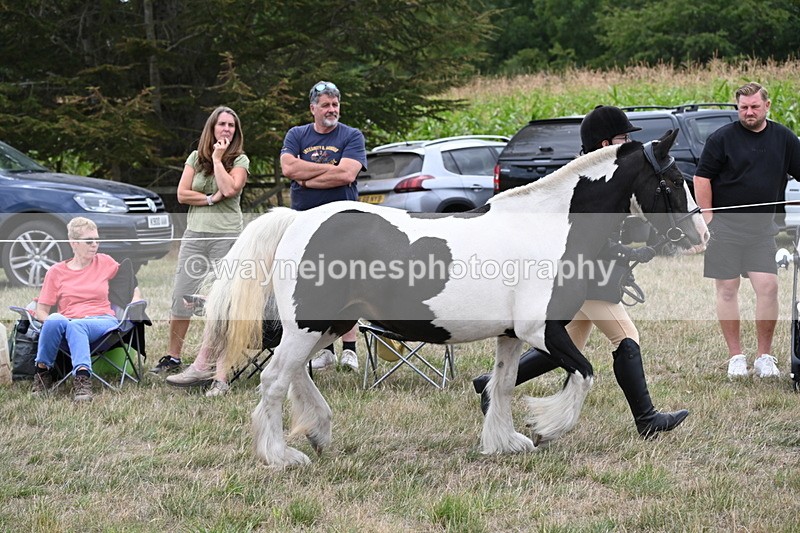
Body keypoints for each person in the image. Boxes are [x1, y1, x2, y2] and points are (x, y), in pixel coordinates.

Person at [472, 105, 689, 438]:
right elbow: (585, 239)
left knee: (564, 346)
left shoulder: (604, 175)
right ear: (605, 144)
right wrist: (626, 252)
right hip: (584, 278)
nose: (628, 142)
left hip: (588, 274)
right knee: (626, 337)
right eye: (623, 137)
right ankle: (646, 419)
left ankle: (493, 384)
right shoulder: (585, 181)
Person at [694, 82, 800, 379]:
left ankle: (765, 357)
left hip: (761, 229)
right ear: (737, 108)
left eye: (754, 106)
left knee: (768, 288)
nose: (749, 112)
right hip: (724, 228)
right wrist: (709, 217)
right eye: (743, 107)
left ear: (767, 106)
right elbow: (701, 178)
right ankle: (736, 357)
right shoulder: (721, 139)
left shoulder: (784, 138)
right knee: (727, 290)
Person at [150, 106, 249, 396]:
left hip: (227, 237)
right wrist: (208, 199)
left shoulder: (239, 159)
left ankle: (217, 367)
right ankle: (173, 357)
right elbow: (182, 194)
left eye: (232, 125)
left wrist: (219, 160)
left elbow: (230, 189)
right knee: (182, 295)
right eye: (222, 124)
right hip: (194, 235)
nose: (227, 129)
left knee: (220, 303)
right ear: (212, 128)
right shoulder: (195, 157)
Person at [278, 80, 367, 371]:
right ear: (313, 108)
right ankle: (324, 349)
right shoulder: (297, 134)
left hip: (342, 223)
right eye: (326, 104)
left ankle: (350, 349)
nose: (332, 109)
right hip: (303, 223)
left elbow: (347, 175)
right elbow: (289, 168)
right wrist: (331, 168)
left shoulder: (351, 135)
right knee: (314, 286)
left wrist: (306, 177)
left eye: (335, 104)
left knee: (348, 283)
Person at [30, 217, 142, 401]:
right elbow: (41, 310)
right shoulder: (56, 272)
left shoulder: (104, 262)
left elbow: (130, 283)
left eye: (97, 240)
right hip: (67, 327)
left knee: (77, 325)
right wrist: (54, 321)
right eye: (89, 241)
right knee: (56, 319)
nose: (95, 244)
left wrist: (136, 301)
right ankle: (42, 374)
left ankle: (82, 380)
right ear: (73, 243)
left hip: (103, 323)